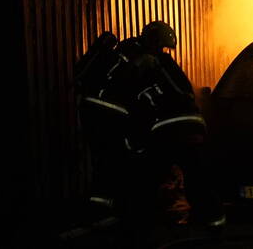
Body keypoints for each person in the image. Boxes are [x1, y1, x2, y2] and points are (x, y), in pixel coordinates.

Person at [75, 21, 225, 243]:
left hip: (156, 128)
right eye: (160, 46)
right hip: (185, 125)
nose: (161, 51)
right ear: (152, 40)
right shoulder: (147, 63)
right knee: (193, 174)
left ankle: (127, 222)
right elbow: (179, 93)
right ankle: (213, 224)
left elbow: (142, 107)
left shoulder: (147, 66)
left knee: (140, 174)